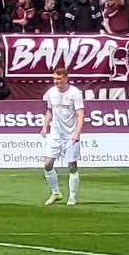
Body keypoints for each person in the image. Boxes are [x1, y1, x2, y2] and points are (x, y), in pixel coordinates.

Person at [41, 66, 84, 207]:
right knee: (47, 164)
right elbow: (49, 110)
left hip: (71, 134)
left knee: (71, 166)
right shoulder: (51, 93)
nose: (56, 81)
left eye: (59, 79)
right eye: (54, 78)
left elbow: (80, 114)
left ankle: (72, 196)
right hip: (55, 133)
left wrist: (77, 132)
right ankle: (55, 193)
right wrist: (45, 126)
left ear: (66, 78)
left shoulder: (75, 93)